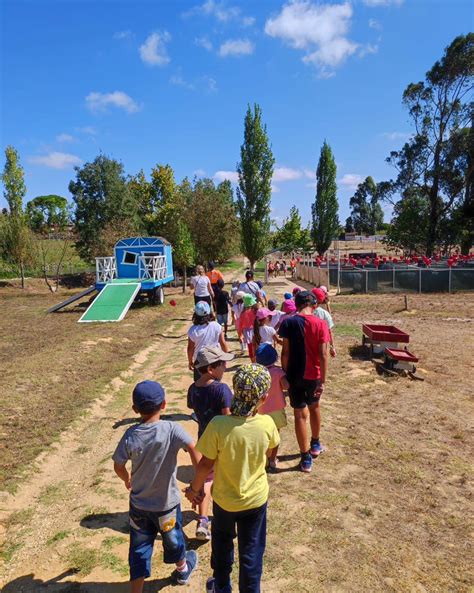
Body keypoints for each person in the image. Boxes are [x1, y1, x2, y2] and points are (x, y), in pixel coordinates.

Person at [185, 364, 279, 593]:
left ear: (235, 390)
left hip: (225, 501)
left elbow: (205, 464)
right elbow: (272, 449)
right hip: (255, 501)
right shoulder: (266, 424)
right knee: (252, 549)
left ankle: (221, 586)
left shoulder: (218, 425)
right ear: (264, 398)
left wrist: (195, 490)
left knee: (223, 544)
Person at [113, 381, 199, 591]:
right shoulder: (171, 429)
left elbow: (118, 464)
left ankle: (136, 590)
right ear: (164, 404)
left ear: (135, 409)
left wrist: (126, 479)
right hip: (166, 505)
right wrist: (197, 482)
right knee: (173, 539)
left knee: (140, 548)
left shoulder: (131, 435)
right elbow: (194, 451)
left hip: (139, 505)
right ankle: (182, 570)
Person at [278, 290, 329, 473]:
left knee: (299, 414)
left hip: (294, 375)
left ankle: (305, 457)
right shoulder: (321, 323)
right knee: (315, 407)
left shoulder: (288, 322)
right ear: (313, 305)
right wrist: (322, 380)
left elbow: (285, 352)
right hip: (313, 375)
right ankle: (315, 444)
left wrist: (284, 373)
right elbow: (323, 354)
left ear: (297, 304)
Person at [187, 346, 234, 540]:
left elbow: (191, 407)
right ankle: (225, 516)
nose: (225, 366)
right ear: (210, 369)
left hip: (203, 440)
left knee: (206, 478)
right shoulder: (222, 389)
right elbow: (228, 416)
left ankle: (203, 520)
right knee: (224, 479)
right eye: (222, 364)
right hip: (222, 442)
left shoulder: (193, 388)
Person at [255, 344, 289, 472]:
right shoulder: (278, 372)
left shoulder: (257, 373)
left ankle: (262, 459)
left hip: (260, 410)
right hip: (277, 409)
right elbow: (286, 386)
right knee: (275, 436)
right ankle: (273, 459)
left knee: (262, 436)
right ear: (275, 357)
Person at [187, 301, 228, 380]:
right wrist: (225, 359)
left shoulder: (192, 330)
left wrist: (190, 361)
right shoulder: (216, 326)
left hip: (199, 362)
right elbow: (223, 344)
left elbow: (190, 348)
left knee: (200, 383)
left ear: (195, 314)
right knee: (215, 384)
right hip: (215, 359)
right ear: (210, 313)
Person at [312, 287, 336, 357]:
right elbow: (329, 331)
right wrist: (332, 347)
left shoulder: (300, 313)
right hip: (320, 346)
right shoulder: (324, 314)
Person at [239, 294, 259, 362]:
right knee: (257, 347)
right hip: (255, 331)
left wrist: (240, 334)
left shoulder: (242, 313)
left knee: (250, 348)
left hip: (247, 332)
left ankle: (253, 363)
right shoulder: (255, 311)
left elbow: (240, 325)